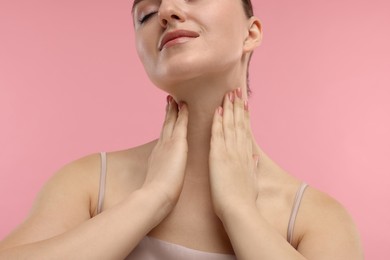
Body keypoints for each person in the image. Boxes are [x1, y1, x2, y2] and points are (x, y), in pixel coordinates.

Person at [0, 0, 364, 259]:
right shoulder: (88, 182)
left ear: (251, 32)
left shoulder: (316, 218)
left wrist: (239, 211)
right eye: (145, 14)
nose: (167, 10)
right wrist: (151, 198)